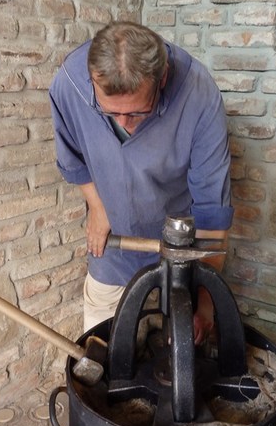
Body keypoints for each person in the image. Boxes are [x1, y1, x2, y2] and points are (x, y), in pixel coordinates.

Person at [49, 21, 233, 341]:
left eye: (137, 113)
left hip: (179, 246)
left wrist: (206, 301)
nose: (125, 124)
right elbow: (72, 158)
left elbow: (211, 208)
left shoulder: (198, 94)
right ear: (92, 80)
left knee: (183, 343)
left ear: (162, 78)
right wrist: (97, 206)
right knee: (102, 345)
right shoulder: (70, 84)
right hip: (113, 245)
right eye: (110, 114)